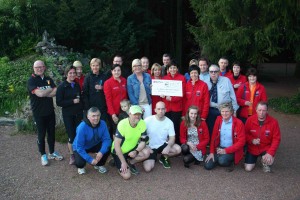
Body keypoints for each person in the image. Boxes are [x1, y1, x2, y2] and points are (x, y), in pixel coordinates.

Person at [27, 60, 63, 166]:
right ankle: (43, 155)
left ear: (44, 68)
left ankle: (52, 152)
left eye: (41, 67)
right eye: (37, 67)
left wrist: (45, 91)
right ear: (34, 68)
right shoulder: (31, 81)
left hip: (50, 111)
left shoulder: (48, 79)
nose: (39, 69)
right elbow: (40, 94)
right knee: (41, 135)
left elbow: (55, 91)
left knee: (51, 133)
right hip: (39, 113)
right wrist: (48, 90)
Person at [111, 105, 151, 180]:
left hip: (132, 150)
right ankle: (120, 161)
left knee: (147, 153)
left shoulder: (142, 123)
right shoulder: (122, 124)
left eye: (139, 114)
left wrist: (136, 151)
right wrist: (123, 162)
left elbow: (143, 141)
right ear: (129, 114)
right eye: (135, 114)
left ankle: (130, 162)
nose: (137, 116)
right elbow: (116, 145)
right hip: (119, 151)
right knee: (127, 176)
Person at [204, 103, 245, 171]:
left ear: (231, 112)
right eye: (222, 111)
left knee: (222, 161)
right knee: (207, 166)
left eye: (227, 111)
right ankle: (218, 157)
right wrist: (211, 152)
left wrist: (226, 150)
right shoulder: (218, 119)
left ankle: (227, 159)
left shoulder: (239, 123)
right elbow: (213, 137)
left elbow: (241, 142)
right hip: (220, 147)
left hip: (232, 149)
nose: (224, 113)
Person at [56, 66, 83, 165]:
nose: (72, 75)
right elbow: (59, 102)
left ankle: (78, 153)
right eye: (70, 73)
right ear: (66, 74)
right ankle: (72, 155)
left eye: (74, 73)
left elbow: (80, 98)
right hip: (68, 115)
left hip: (78, 114)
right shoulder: (62, 86)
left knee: (79, 134)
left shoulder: (76, 85)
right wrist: (72, 101)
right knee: (71, 136)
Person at [143, 102, 181, 171]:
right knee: (147, 169)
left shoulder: (169, 122)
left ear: (165, 110)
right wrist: (145, 147)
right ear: (155, 110)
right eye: (159, 109)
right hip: (150, 147)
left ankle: (163, 157)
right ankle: (152, 156)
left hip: (163, 145)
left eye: (163, 109)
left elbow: (172, 138)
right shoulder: (147, 120)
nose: (161, 111)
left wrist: (168, 146)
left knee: (178, 149)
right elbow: (140, 136)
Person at [72, 107, 112, 175]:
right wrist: (90, 160)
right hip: (81, 147)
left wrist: (101, 152)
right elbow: (79, 147)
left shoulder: (103, 123)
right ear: (88, 116)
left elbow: (107, 139)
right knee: (80, 163)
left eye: (98, 115)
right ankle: (80, 167)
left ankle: (99, 164)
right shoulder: (82, 127)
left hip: (94, 144)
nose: (96, 118)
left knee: (107, 148)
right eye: (93, 116)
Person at [244, 102, 281, 173]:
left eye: (264, 110)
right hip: (253, 148)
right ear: (256, 110)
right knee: (248, 168)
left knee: (269, 161)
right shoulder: (250, 120)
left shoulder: (274, 122)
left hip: (266, 147)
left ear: (267, 111)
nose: (261, 112)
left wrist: (270, 152)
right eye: (259, 110)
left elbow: (276, 139)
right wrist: (251, 140)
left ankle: (265, 161)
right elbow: (245, 134)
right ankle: (255, 159)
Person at [204, 64, 239, 135]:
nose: (213, 73)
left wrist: (234, 110)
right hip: (210, 110)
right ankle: (212, 145)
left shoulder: (226, 81)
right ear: (209, 72)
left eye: (215, 71)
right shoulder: (205, 82)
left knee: (223, 130)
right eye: (211, 72)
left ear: (219, 72)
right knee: (210, 129)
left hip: (224, 111)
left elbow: (233, 96)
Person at [162, 60, 186, 144]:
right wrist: (162, 94)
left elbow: (181, 93)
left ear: (177, 69)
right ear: (168, 69)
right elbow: (162, 90)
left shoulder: (182, 78)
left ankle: (176, 143)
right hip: (167, 107)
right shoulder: (164, 78)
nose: (172, 69)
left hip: (177, 107)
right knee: (167, 126)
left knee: (175, 125)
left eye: (174, 67)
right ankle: (167, 143)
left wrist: (172, 99)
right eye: (171, 68)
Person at [103, 64, 127, 137]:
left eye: (118, 70)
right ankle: (115, 147)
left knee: (124, 130)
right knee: (116, 131)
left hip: (124, 110)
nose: (117, 72)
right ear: (111, 72)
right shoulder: (108, 83)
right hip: (114, 112)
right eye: (115, 70)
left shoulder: (124, 80)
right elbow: (108, 100)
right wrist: (112, 114)